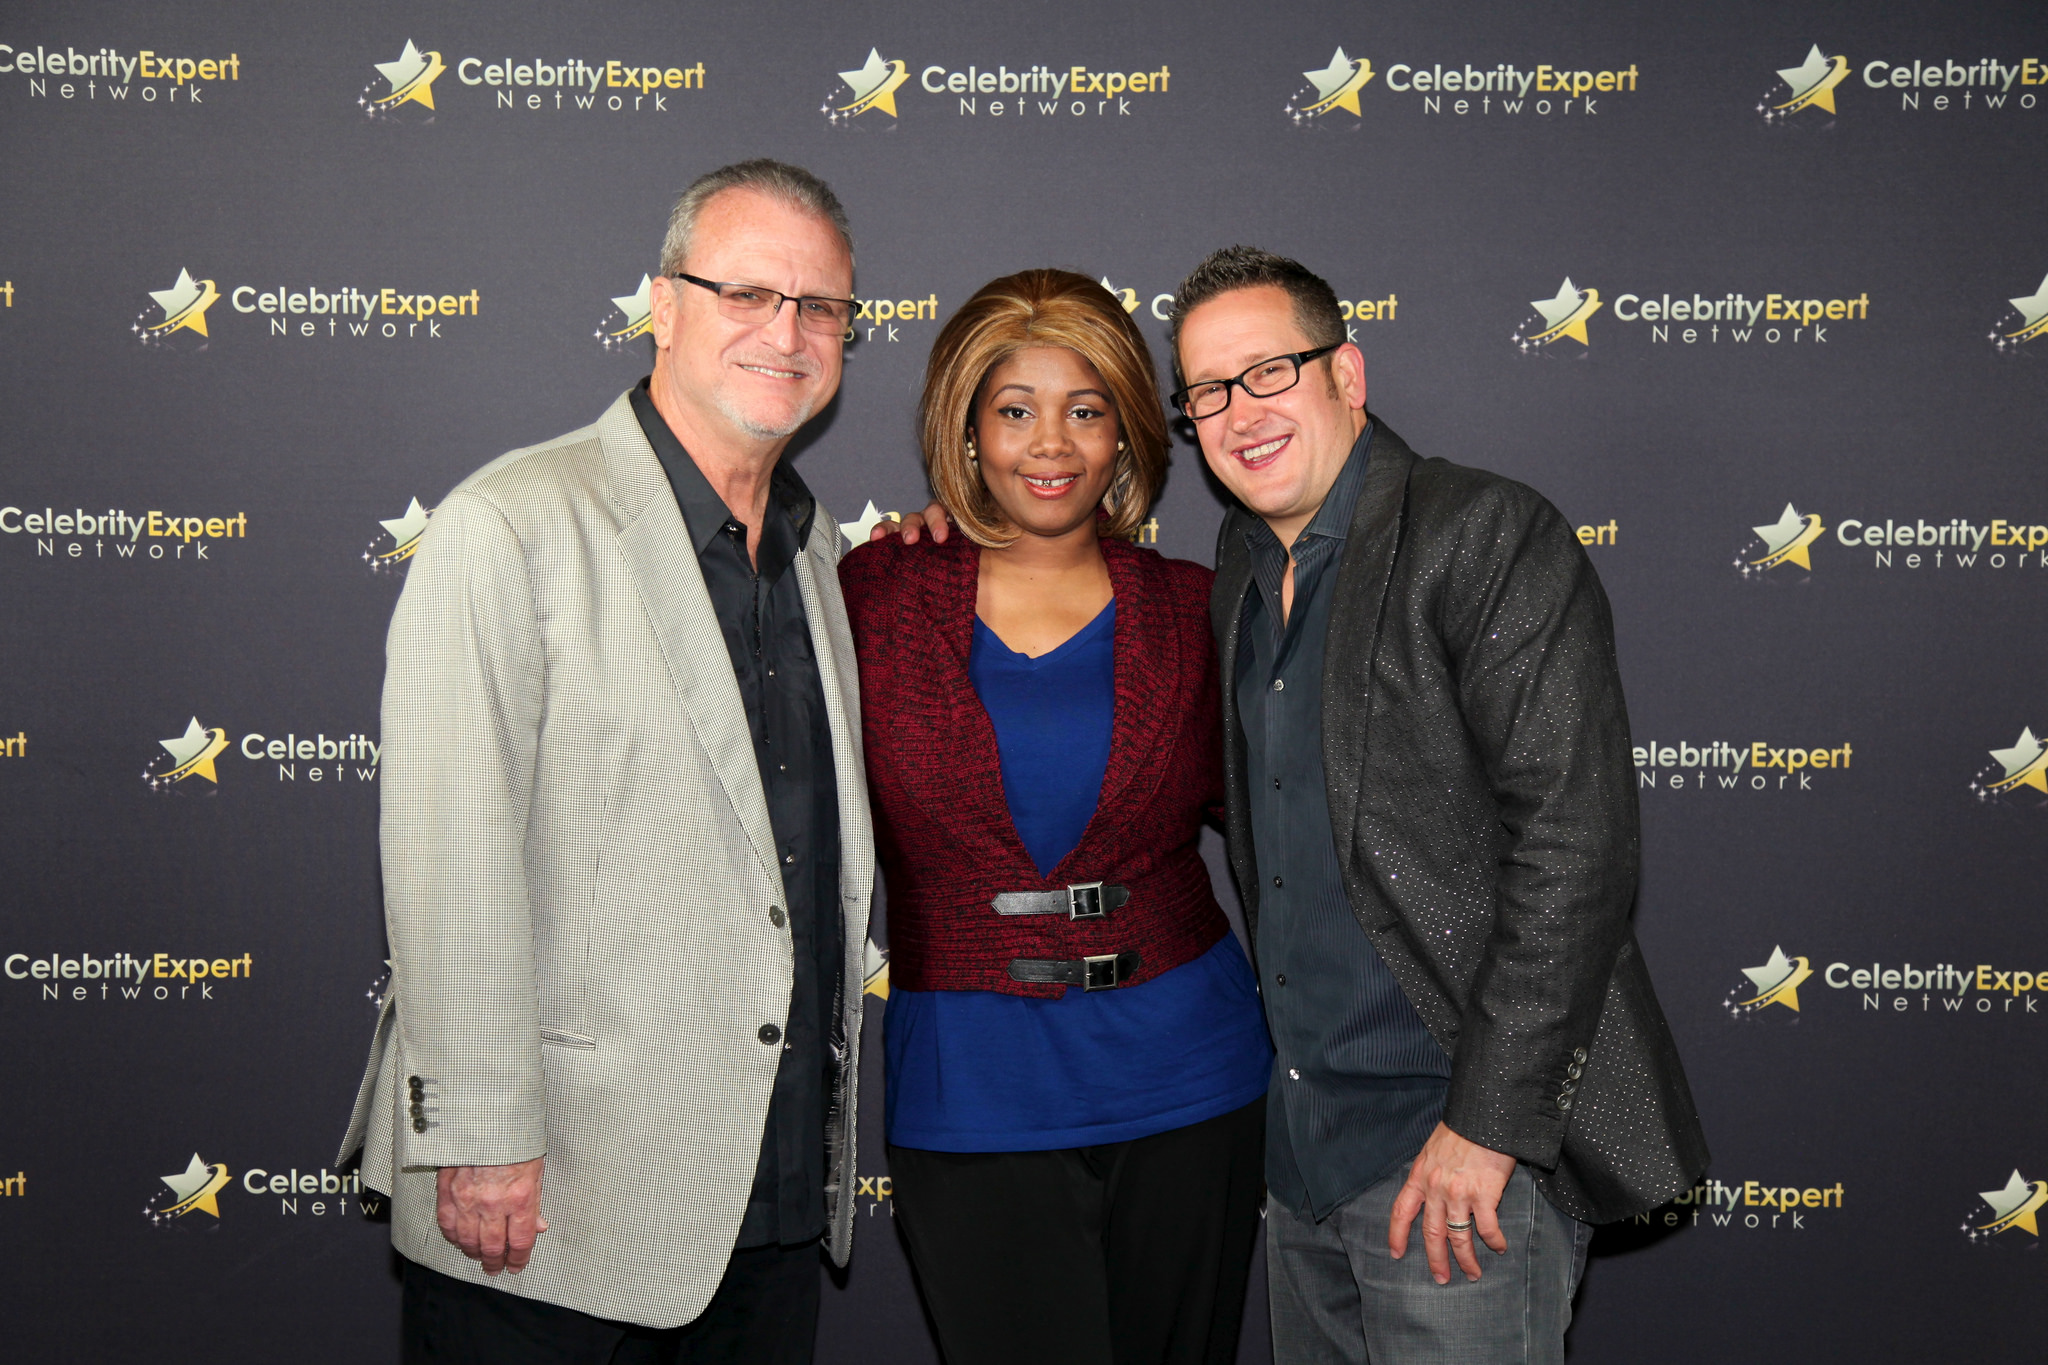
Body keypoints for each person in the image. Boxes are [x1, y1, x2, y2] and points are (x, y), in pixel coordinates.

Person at [885, 248, 1708, 1364]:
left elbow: (1575, 849)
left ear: (1347, 374)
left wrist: (1487, 1128)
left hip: (1450, 1149)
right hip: (1298, 1149)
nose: (1240, 413)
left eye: (1269, 372)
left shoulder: (1477, 533)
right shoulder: (1234, 573)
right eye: (1210, 393)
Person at [336, 159, 875, 1364]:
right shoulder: (511, 524)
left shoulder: (818, 555)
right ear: (663, 306)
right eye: (744, 293)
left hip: (767, 1199)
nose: (784, 333)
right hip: (547, 1209)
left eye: (819, 307)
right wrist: (477, 1138)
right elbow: (444, 859)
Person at [839, 269, 1272, 1365]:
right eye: (1014, 410)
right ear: (966, 431)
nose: (1050, 444)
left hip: (1192, 1077)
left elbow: (1290, 819)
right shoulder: (875, 594)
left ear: (1126, 432)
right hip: (970, 1093)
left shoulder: (1195, 607)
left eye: (1084, 410)